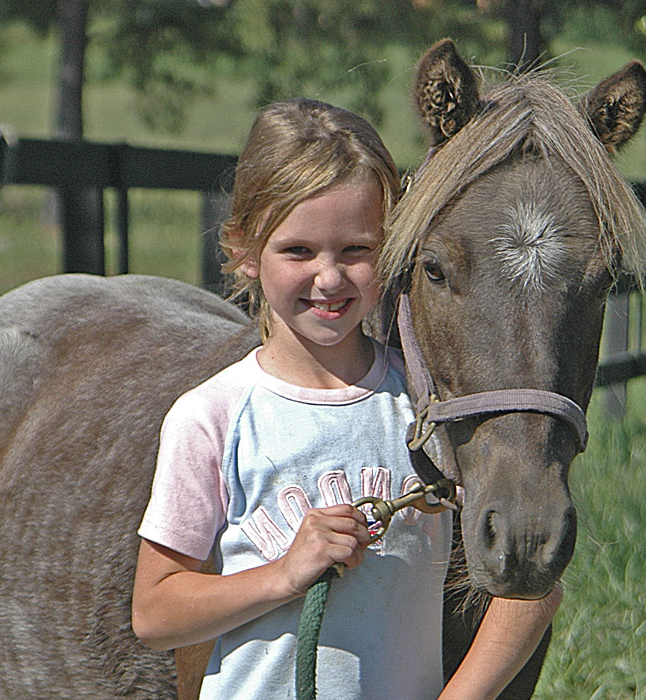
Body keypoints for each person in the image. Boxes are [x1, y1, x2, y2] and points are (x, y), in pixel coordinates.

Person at [131, 97, 559, 700]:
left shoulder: (425, 413)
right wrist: (283, 575)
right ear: (244, 253)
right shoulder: (211, 419)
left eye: (357, 250)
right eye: (298, 251)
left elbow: (530, 583)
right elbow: (154, 614)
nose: (329, 278)